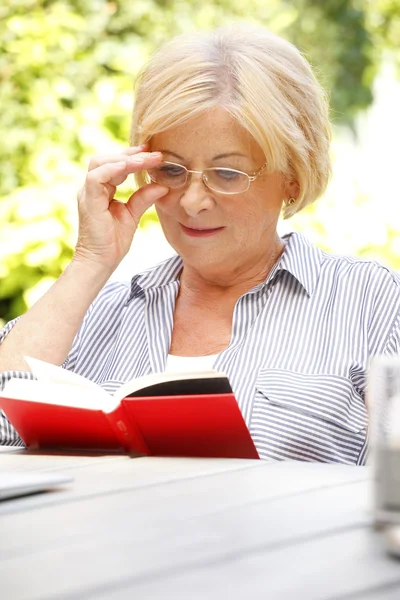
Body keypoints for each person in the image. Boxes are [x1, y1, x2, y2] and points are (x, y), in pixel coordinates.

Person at [0, 23, 399, 463]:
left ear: (292, 177)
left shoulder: (372, 304)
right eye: (171, 171)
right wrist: (90, 261)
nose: (191, 201)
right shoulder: (90, 315)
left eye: (227, 174)